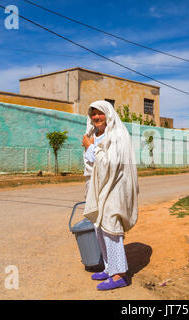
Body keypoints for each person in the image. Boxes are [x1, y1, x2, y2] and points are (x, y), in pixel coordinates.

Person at [81, 100, 139, 291]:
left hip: (114, 187)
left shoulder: (117, 135)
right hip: (98, 187)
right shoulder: (94, 134)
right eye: (93, 114)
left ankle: (119, 274)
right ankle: (109, 268)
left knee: (111, 227)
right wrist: (91, 146)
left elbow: (110, 164)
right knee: (99, 227)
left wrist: (90, 147)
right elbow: (93, 164)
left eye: (100, 113)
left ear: (108, 114)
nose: (96, 117)